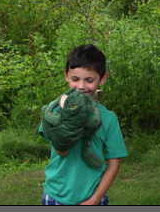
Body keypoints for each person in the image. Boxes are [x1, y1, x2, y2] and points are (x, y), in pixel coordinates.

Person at [39, 44, 128, 205]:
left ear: (102, 78)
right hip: (55, 195)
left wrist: (94, 200)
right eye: (75, 79)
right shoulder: (55, 109)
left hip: (93, 197)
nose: (81, 86)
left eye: (89, 80)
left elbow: (113, 163)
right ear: (66, 75)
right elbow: (61, 151)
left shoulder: (108, 119)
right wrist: (70, 121)